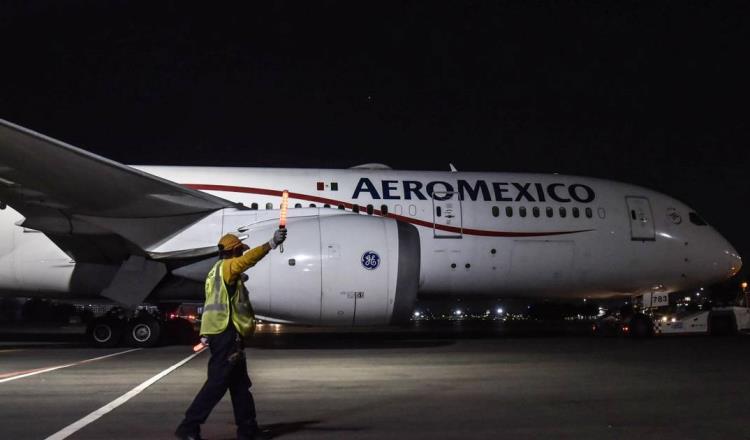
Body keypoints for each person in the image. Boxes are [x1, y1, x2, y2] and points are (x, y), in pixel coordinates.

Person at [175, 228, 287, 440]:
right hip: (226, 333)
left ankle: (248, 430)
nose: (241, 255)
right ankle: (189, 426)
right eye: (239, 251)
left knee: (240, 386)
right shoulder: (228, 266)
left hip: (222, 332)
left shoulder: (216, 271)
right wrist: (271, 244)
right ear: (234, 251)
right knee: (217, 384)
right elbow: (247, 261)